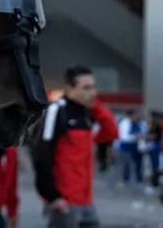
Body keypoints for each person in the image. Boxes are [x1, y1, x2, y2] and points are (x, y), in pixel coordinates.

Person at [32, 65, 118, 228]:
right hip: (64, 200)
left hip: (86, 199)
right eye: (86, 88)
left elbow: (111, 133)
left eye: (93, 87)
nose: (93, 92)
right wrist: (53, 196)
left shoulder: (86, 113)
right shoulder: (56, 111)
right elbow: (41, 155)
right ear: (69, 88)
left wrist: (97, 107)